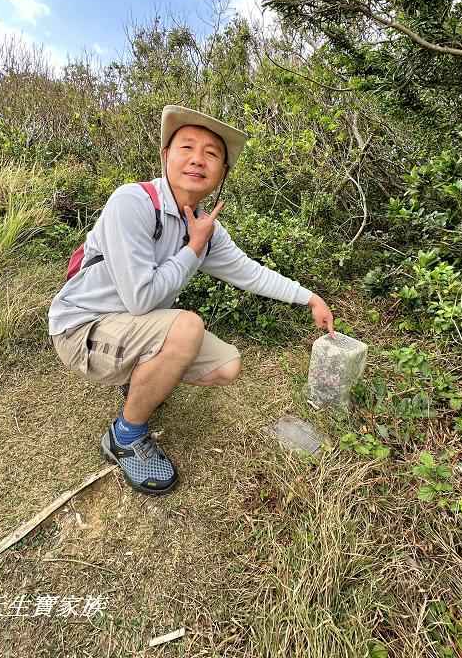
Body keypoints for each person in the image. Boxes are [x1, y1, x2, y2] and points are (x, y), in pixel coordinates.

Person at [48, 105, 335, 495]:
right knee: (186, 327)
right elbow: (141, 299)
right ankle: (125, 436)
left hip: (130, 328)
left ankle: (139, 383)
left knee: (227, 365)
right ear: (166, 156)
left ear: (222, 174)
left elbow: (249, 272)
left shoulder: (203, 227)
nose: (198, 159)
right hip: (81, 328)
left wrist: (309, 298)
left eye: (212, 154)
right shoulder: (132, 202)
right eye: (187, 147)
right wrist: (193, 247)